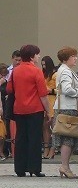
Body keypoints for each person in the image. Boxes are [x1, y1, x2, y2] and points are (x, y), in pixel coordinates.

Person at [7, 45, 49, 177]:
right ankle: (34, 168)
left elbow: (9, 89)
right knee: (34, 138)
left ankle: (20, 168)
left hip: (19, 108)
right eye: (37, 54)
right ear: (32, 57)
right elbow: (43, 93)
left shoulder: (15, 71)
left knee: (20, 138)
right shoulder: (36, 71)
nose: (39, 56)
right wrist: (48, 111)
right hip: (35, 109)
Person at [54, 47, 78, 178]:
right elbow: (67, 89)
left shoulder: (66, 70)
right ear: (66, 59)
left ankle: (65, 166)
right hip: (68, 107)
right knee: (68, 137)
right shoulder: (66, 71)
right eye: (73, 56)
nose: (75, 58)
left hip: (69, 106)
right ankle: (64, 166)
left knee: (70, 137)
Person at [41, 55, 57, 160]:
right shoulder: (42, 74)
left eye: (45, 65)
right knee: (45, 126)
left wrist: (50, 90)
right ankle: (46, 147)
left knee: (54, 127)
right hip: (44, 101)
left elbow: (59, 90)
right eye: (42, 65)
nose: (44, 67)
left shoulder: (55, 75)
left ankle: (53, 148)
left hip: (53, 100)